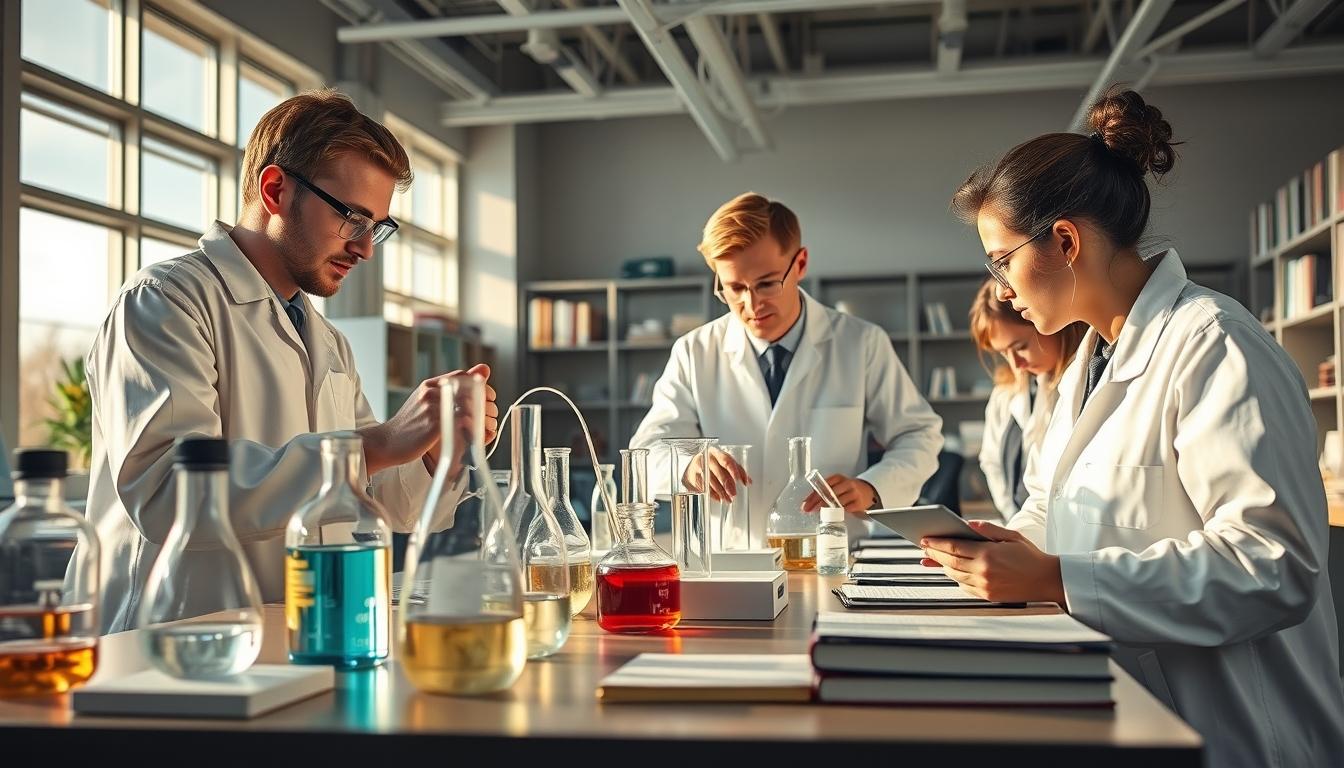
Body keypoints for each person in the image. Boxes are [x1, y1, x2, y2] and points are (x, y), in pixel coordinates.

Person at [921, 88, 1344, 766]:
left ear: (1064, 241)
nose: (1000, 288)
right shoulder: (1090, 357)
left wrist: (1059, 579)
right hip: (1129, 712)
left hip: (1238, 735)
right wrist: (1002, 544)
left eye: (1001, 261)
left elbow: (1275, 564)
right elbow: (1055, 509)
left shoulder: (1215, 344)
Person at [81, 90, 496, 634]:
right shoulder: (165, 300)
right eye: (351, 218)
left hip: (293, 638)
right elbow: (165, 493)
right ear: (276, 190)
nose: (366, 248)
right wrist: (373, 445)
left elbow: (383, 503)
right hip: (166, 643)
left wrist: (430, 450)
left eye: (378, 227)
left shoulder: (327, 341)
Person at [629, 192, 943, 540]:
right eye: (734, 288)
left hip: (829, 555)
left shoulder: (861, 344)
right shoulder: (694, 352)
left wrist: (872, 487)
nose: (752, 304)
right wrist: (689, 466)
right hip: (733, 559)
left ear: (801, 264)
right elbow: (649, 450)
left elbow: (919, 435)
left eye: (766, 283)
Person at [969, 278, 1085, 521]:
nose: (1015, 365)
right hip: (1021, 525)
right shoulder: (1006, 393)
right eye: (1003, 353)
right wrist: (1013, 518)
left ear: (1050, 324)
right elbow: (991, 462)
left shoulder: (1085, 381)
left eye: (1020, 346)